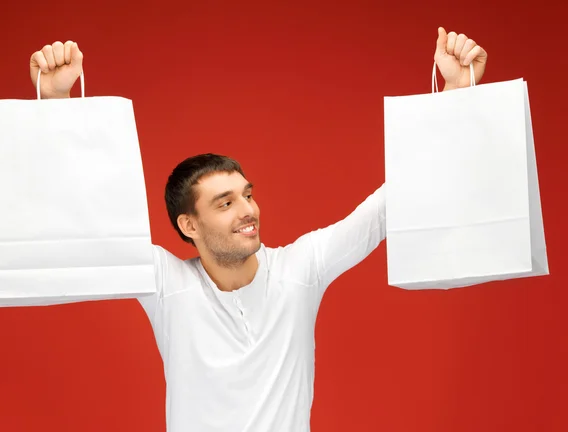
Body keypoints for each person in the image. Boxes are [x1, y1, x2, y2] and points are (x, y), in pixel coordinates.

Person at [28, 27, 487, 432]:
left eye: (247, 194)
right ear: (189, 224)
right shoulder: (165, 284)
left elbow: (387, 207)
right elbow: (88, 219)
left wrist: (453, 92)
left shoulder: (300, 269)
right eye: (225, 203)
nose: (247, 210)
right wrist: (56, 103)